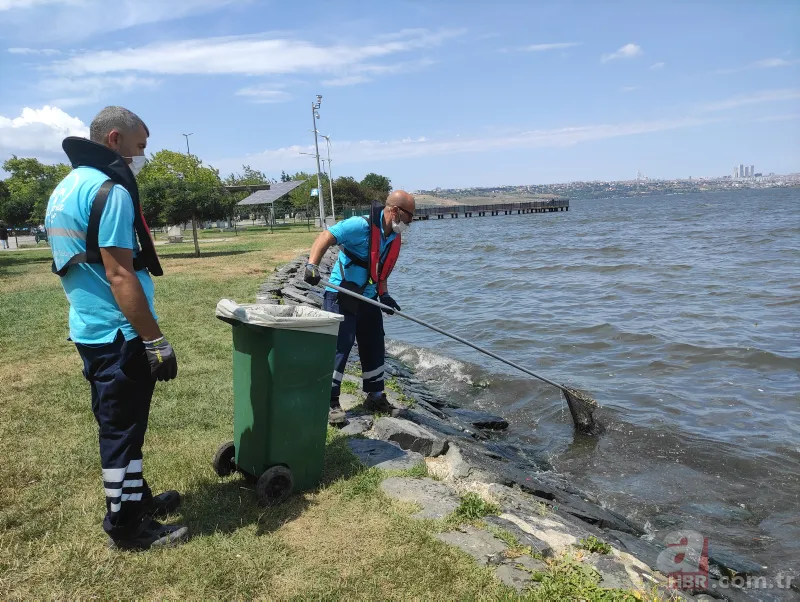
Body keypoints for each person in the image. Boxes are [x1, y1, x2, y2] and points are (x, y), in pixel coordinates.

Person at [45, 106, 186, 550]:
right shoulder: (111, 191)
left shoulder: (65, 189)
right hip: (119, 334)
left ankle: (137, 500)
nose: (142, 155)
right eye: (139, 146)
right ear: (114, 139)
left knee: (123, 423)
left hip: (90, 329)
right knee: (121, 432)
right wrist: (155, 340)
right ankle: (126, 527)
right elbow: (120, 274)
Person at [304, 190, 416, 425]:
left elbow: (381, 271)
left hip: (368, 298)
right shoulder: (359, 225)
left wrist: (384, 296)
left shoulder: (393, 237)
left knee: (374, 344)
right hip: (341, 294)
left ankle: (375, 397)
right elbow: (326, 236)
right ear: (395, 211)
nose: (411, 222)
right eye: (410, 216)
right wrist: (312, 266)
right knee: (339, 347)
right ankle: (330, 401)